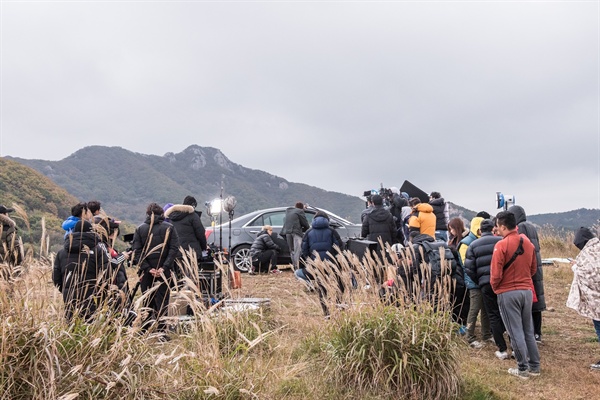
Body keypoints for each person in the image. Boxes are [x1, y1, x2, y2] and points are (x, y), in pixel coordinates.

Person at [490, 211, 540, 379]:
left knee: (515, 331)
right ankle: (534, 366)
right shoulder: (527, 242)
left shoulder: (501, 245)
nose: (497, 229)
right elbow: (533, 269)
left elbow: (495, 274)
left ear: (503, 226)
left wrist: (496, 287)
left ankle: (522, 368)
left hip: (508, 292)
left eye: (498, 226)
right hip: (526, 291)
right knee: (528, 330)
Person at [132, 203, 180, 338]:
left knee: (147, 298)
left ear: (148, 215)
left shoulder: (140, 229)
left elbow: (137, 251)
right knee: (163, 300)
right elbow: (174, 249)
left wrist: (148, 268)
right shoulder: (169, 228)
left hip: (146, 272)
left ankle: (146, 327)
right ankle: (162, 331)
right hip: (164, 271)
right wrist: (164, 267)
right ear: (161, 214)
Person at [52, 220, 110, 322]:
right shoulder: (98, 251)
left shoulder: (62, 253)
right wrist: (101, 293)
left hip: (70, 296)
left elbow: (56, 277)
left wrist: (66, 289)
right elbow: (107, 274)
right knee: (90, 326)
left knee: (71, 324)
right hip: (92, 296)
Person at [464, 219, 504, 353]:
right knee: (490, 310)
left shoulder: (473, 245)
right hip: (497, 282)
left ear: (480, 231)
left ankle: (470, 336)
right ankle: (487, 334)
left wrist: (479, 279)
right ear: (493, 229)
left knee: (474, 309)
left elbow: (468, 267)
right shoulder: (500, 241)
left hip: (480, 283)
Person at [508, 205, 546, 344]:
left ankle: (533, 333)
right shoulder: (531, 227)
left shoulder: (521, 228)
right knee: (537, 301)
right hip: (537, 267)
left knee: (530, 302)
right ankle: (537, 333)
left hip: (528, 268)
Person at [566, 226, 600, 370]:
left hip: (596, 300)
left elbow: (589, 273)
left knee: (599, 328)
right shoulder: (597, 248)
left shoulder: (588, 253)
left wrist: (575, 267)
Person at [299, 211, 344, 316]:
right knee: (338, 285)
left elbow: (304, 249)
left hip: (317, 264)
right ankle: (339, 307)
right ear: (327, 220)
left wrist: (310, 259)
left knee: (322, 289)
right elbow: (340, 247)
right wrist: (336, 259)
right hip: (332, 264)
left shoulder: (308, 232)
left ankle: (326, 313)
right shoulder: (332, 231)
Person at [458, 217, 490, 350]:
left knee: (486, 309)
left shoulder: (479, 241)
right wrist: (477, 278)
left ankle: (486, 334)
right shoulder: (466, 243)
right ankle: (470, 336)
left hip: (482, 281)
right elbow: (466, 265)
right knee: (474, 308)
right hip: (474, 282)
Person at [165, 195, 208, 272]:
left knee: (178, 276)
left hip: (176, 252)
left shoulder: (173, 217)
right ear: (193, 205)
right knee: (192, 275)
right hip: (191, 252)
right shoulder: (193, 216)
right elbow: (201, 233)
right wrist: (203, 247)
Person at [280, 202, 310, 270]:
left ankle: (294, 265)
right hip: (296, 232)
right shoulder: (300, 211)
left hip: (287, 232)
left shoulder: (288, 210)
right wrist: (306, 229)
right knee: (297, 250)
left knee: (292, 250)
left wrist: (303, 208)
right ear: (301, 208)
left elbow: (295, 210)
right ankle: (297, 267)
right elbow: (305, 223)